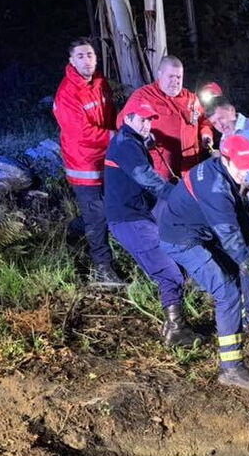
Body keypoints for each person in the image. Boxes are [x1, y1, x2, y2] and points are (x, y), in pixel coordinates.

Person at [158, 135, 249, 389]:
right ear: (225, 159)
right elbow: (231, 237)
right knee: (227, 292)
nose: (244, 173)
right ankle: (232, 368)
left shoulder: (225, 172)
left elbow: (242, 216)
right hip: (183, 240)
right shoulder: (214, 188)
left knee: (240, 281)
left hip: (204, 232)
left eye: (247, 167)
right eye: (240, 167)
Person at [103, 99, 201, 348]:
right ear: (128, 118)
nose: (147, 124)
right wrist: (177, 196)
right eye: (142, 119)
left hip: (140, 212)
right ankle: (176, 330)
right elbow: (146, 178)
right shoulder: (126, 144)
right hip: (129, 219)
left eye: (149, 120)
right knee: (169, 273)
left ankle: (173, 324)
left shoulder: (132, 140)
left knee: (177, 256)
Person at [53, 37, 122, 286]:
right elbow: (81, 133)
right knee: (97, 215)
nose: (86, 60)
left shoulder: (100, 83)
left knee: (105, 210)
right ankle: (102, 268)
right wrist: (116, 137)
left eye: (90, 55)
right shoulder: (67, 93)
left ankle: (72, 233)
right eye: (80, 56)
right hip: (84, 164)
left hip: (106, 158)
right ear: (71, 61)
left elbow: (111, 115)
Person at [116, 56, 213, 181]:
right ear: (160, 74)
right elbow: (123, 124)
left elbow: (204, 122)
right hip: (161, 173)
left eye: (178, 77)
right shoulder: (143, 96)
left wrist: (206, 135)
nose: (175, 81)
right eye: (170, 76)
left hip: (190, 170)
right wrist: (143, 137)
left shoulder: (191, 98)